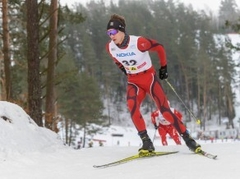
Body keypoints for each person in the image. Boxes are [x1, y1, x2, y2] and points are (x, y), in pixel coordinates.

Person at [105, 14, 201, 153]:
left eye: (113, 32)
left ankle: (188, 139)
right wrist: (124, 70)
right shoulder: (110, 47)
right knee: (132, 106)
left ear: (121, 31)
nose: (111, 36)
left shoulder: (138, 42)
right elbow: (116, 60)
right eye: (108, 33)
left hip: (149, 79)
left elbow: (159, 48)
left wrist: (164, 68)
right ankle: (146, 142)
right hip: (133, 81)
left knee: (164, 110)